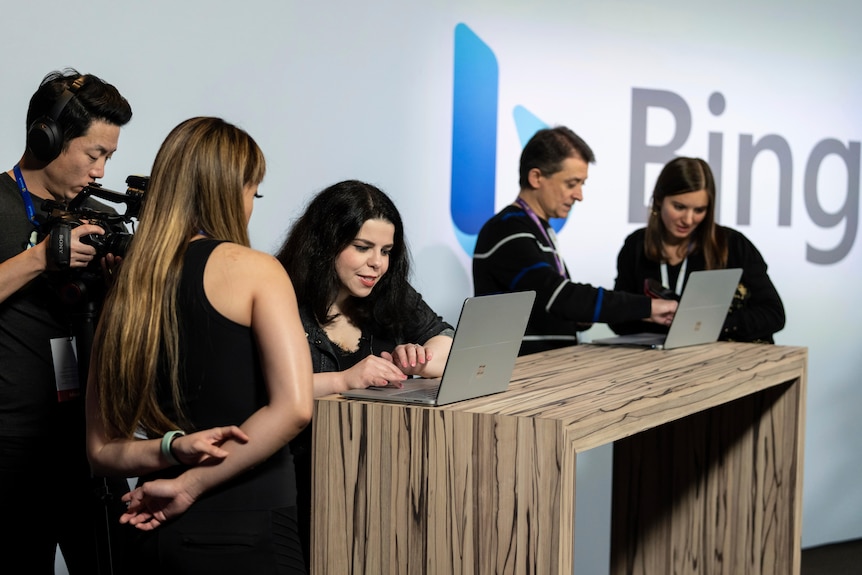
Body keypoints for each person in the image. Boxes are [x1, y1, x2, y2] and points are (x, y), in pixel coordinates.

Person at [85, 116, 314, 574]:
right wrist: (190, 483)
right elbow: (294, 407)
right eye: (254, 192)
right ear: (229, 191)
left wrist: (173, 449)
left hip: (150, 534)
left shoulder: (127, 286)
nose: (252, 205)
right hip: (248, 532)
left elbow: (102, 452)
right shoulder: (256, 270)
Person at [274, 179, 455, 567]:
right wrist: (344, 380)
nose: (378, 263)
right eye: (363, 248)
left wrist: (420, 358)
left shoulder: (387, 291)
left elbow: (447, 339)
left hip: (376, 477)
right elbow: (264, 389)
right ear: (325, 244)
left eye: (387, 251)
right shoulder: (279, 294)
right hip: (298, 483)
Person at [0, 68, 133, 574]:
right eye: (94, 153)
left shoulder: (100, 217)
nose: (100, 172)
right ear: (45, 137)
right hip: (11, 445)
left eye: (109, 157)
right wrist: (41, 258)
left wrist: (123, 282)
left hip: (88, 436)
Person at [472, 126, 678, 355]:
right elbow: (560, 297)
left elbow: (551, 303)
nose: (579, 195)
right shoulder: (507, 230)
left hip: (540, 371)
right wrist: (647, 307)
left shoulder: (536, 229)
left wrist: (578, 318)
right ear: (536, 177)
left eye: (582, 184)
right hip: (521, 377)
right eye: (572, 184)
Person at [610, 156, 785, 343]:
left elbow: (773, 314)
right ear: (659, 199)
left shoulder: (732, 245)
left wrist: (710, 326)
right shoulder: (636, 246)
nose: (688, 219)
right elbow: (619, 322)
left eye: (699, 210)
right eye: (679, 207)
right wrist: (646, 312)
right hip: (658, 364)